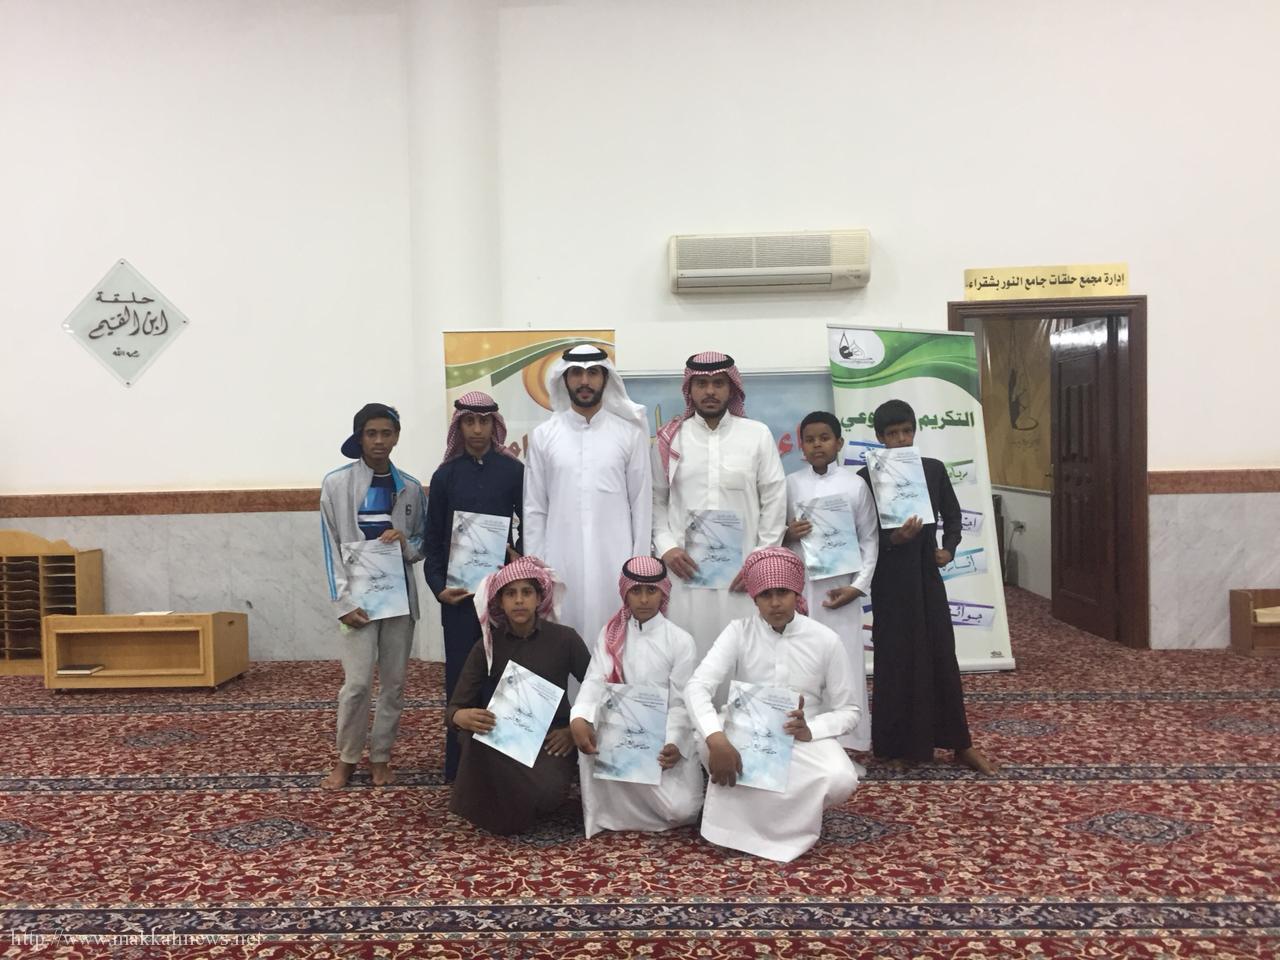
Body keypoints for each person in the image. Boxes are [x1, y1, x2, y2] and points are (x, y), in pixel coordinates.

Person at [685, 547, 860, 862]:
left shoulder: (825, 639)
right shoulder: (738, 632)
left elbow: (850, 711)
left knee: (841, 779)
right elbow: (697, 686)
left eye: (783, 592)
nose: (775, 602)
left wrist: (811, 729)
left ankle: (791, 821)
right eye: (766, 594)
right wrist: (717, 738)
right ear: (754, 598)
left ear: (796, 593)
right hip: (746, 732)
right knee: (707, 744)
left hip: (800, 736)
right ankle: (739, 824)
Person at [857, 399, 997, 775]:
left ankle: (960, 744)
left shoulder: (933, 470)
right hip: (889, 579)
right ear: (879, 437)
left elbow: (953, 516)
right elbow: (863, 535)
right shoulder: (866, 476)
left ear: (915, 431)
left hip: (926, 575)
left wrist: (948, 549)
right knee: (895, 658)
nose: (901, 439)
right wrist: (895, 539)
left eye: (907, 431)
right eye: (892, 434)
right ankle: (894, 746)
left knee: (940, 656)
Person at [319, 403, 428, 789]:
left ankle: (381, 755)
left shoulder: (411, 487)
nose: (379, 441)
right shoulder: (336, 484)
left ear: (396, 437)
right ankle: (347, 758)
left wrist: (404, 543)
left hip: (398, 601)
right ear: (360, 438)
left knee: (394, 684)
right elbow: (330, 547)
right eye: (371, 433)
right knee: (358, 685)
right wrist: (343, 603)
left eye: (386, 433)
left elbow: (423, 541)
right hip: (358, 604)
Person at [652, 351, 786, 660]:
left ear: (732, 388)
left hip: (743, 573)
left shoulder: (757, 434)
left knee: (745, 655)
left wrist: (760, 559)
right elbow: (655, 499)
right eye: (701, 384)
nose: (710, 391)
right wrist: (666, 547)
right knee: (688, 652)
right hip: (685, 571)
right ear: (689, 389)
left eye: (718, 383)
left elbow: (775, 499)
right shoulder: (671, 439)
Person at [446, 556, 592, 835]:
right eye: (511, 594)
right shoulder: (487, 645)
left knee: (548, 795)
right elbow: (454, 707)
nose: (519, 600)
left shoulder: (565, 639)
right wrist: (460, 716)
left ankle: (502, 797)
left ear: (539, 598)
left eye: (526, 592)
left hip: (552, 739)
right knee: (470, 736)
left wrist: (573, 730)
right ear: (500, 602)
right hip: (505, 738)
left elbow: (596, 688)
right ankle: (507, 802)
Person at [424, 391, 524, 783]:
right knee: (461, 680)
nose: (477, 430)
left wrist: (520, 560)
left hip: (505, 597)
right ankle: (461, 772)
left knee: (506, 677)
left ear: (494, 425)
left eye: (484, 422)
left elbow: (529, 525)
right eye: (469, 422)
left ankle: (507, 767)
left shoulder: (513, 472)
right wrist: (438, 588)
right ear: (459, 425)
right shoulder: (445, 477)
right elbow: (433, 544)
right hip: (460, 599)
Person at [523, 344, 652, 645]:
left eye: (593, 373)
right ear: (564, 379)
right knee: (561, 637)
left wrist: (638, 569)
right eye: (576, 374)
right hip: (560, 561)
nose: (584, 381)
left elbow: (641, 505)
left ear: (605, 378)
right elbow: (535, 508)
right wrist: (538, 570)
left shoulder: (629, 434)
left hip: (616, 561)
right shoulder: (544, 436)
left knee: (615, 642)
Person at [569, 556, 703, 839]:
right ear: (625, 593)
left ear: (663, 592)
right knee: (588, 732)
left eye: (651, 590)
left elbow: (681, 703)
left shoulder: (680, 641)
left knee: (681, 810)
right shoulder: (611, 633)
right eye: (636, 591)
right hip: (619, 736)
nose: (643, 599)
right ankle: (611, 812)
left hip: (661, 737)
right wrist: (579, 716)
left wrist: (673, 742)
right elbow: (595, 680)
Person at [783, 411, 880, 752]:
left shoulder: (855, 485)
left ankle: (851, 742)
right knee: (803, 664)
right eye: (809, 440)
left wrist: (857, 587)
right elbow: (774, 533)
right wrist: (787, 533)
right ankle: (805, 740)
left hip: (841, 592)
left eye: (824, 438)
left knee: (845, 664)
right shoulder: (790, 484)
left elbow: (869, 540)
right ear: (801, 447)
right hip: (803, 590)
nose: (817, 445)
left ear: (839, 443)